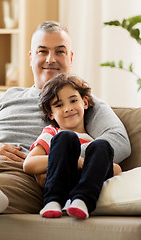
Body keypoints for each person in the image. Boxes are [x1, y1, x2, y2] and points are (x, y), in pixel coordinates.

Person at [0, 21, 131, 240]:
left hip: (22, 176)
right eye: (42, 51)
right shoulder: (9, 97)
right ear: (30, 57)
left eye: (59, 52)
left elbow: (118, 141)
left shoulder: (77, 102)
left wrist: (60, 160)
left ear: (70, 58)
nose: (50, 59)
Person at [23, 73, 122, 219]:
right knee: (66, 137)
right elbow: (29, 164)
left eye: (73, 101)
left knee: (103, 145)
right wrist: (77, 161)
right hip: (61, 181)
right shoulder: (53, 132)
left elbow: (117, 170)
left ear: (85, 103)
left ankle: (82, 201)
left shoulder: (92, 141)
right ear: (51, 114)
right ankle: (53, 201)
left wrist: (92, 164)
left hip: (86, 186)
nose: (68, 108)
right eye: (59, 105)